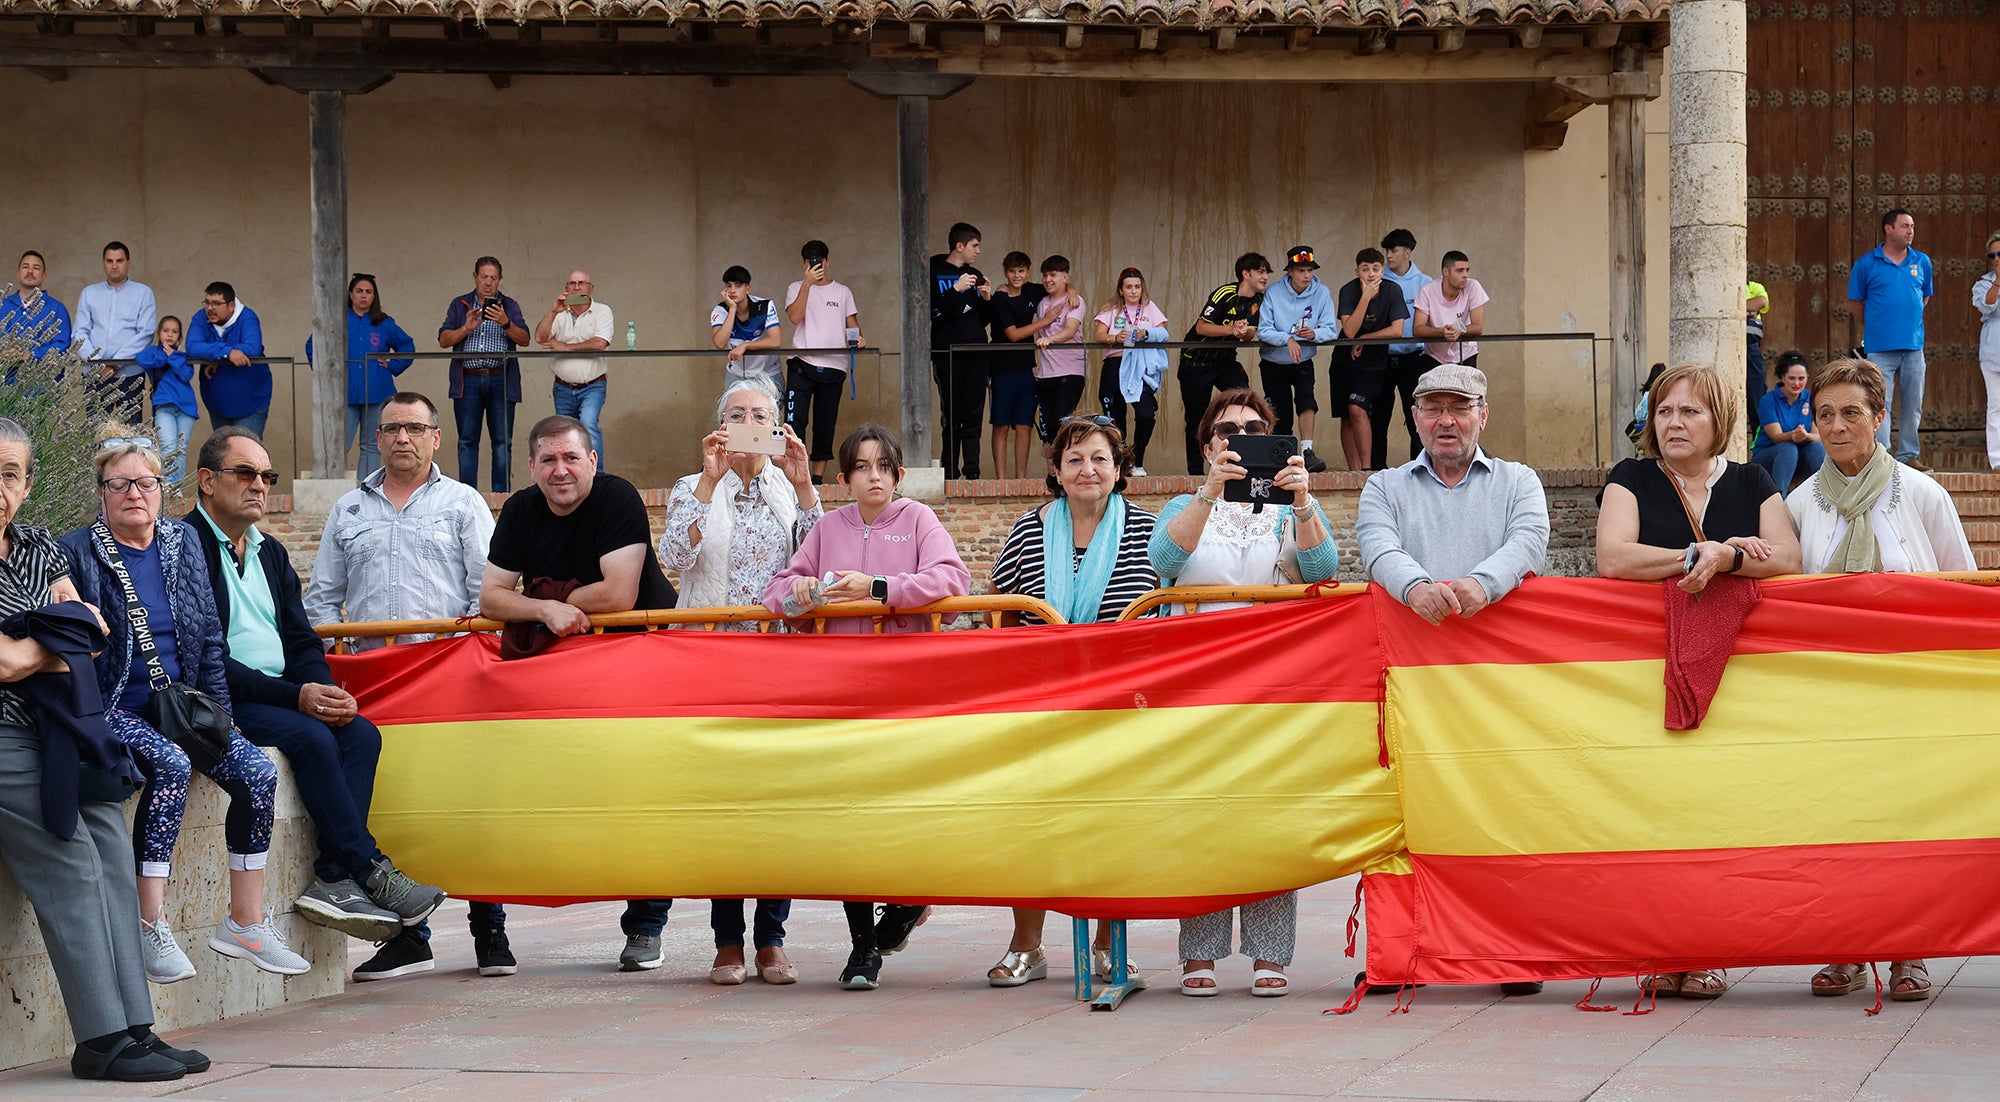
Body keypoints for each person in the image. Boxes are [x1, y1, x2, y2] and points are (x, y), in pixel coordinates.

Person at [187, 427, 449, 969]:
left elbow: (302, 639)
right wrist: (297, 696)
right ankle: (369, 867)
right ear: (207, 482)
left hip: (281, 693)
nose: (259, 485)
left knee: (359, 734)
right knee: (309, 737)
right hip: (218, 698)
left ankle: (332, 874)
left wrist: (322, 688)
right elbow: (204, 656)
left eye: (268, 477)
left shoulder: (270, 552)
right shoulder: (184, 547)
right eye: (246, 474)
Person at [0, 417, 207, 1083]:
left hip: (61, 729)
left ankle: (135, 1029)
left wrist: (50, 642)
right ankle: (99, 1041)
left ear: (29, 486)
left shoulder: (35, 547)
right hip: (6, 737)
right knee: (72, 868)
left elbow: (89, 632)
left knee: (112, 856)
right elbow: (6, 664)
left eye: (10, 474)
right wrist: (48, 644)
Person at [59, 432, 307, 985]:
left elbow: (212, 640)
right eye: (118, 484)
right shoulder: (75, 551)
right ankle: (150, 924)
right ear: (101, 492)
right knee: (170, 765)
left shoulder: (182, 542)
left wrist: (219, 719)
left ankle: (244, 923)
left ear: (160, 489)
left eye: (145, 483)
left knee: (258, 773)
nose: (134, 494)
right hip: (113, 708)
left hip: (182, 705)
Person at [1596, 362, 1803, 1000]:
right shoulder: (1629, 477)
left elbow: (1789, 559)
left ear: (1720, 421)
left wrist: (1729, 557)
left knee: (1719, 811)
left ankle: (1707, 946)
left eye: (1689, 412)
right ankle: (1662, 947)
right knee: (1657, 814)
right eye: (1664, 411)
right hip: (1646, 679)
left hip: (1741, 682)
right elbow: (1613, 557)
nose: (1674, 423)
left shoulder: (1753, 479)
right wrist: (1702, 554)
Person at [1354, 364, 1548, 997]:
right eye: (1433, 408)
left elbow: (1529, 542)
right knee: (1399, 819)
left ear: (1483, 415)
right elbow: (1376, 547)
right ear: (1414, 416)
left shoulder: (1519, 481)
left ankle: (1511, 953)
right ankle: (1395, 955)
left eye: (1459, 408)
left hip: (1500, 686)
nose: (1445, 420)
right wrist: (1414, 588)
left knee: (1502, 812)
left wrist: (1478, 585)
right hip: (1408, 686)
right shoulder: (1383, 486)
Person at [1788, 356, 1973, 1004]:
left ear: (1881, 417)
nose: (1837, 427)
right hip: (1831, 694)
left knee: (1907, 819)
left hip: (1908, 693)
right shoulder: (1799, 504)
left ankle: (1908, 950)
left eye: (1851, 414)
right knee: (1838, 818)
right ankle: (1842, 945)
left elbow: (1964, 596)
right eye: (1825, 415)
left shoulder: (1923, 496)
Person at [762, 424, 970, 990]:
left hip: (906, 690)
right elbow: (779, 588)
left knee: (908, 808)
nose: (873, 476)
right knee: (849, 813)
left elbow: (953, 579)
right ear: (845, 476)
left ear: (898, 475)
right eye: (861, 467)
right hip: (841, 691)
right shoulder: (828, 527)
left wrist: (879, 587)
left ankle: (906, 904)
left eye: (883, 467)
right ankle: (861, 948)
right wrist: (800, 597)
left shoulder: (921, 521)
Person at [1149, 389, 1335, 997]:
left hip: (1268, 681)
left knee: (1269, 813)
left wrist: (1303, 499)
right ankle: (1199, 951)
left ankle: (1269, 953)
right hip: (1198, 681)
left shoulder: (1289, 506)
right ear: (1209, 445)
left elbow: (1321, 568)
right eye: (1228, 430)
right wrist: (1209, 491)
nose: (1242, 436)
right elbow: (1164, 558)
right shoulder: (1185, 501)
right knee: (1201, 813)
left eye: (1256, 427)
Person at [303, 392, 492, 980]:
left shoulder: (463, 503)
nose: (402, 437)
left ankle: (492, 932)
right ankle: (413, 936)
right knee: (394, 802)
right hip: (368, 681)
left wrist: (456, 657)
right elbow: (322, 599)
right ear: (377, 438)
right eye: (391, 429)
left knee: (463, 799)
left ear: (437, 436)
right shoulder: (348, 510)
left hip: (443, 676)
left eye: (414, 427)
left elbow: (484, 590)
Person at [480, 415, 678, 973]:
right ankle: (489, 930)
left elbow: (619, 593)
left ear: (594, 460)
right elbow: (491, 598)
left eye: (571, 458)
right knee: (522, 787)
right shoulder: (520, 508)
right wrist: (544, 607)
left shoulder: (618, 497)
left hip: (632, 666)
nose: (560, 471)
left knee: (638, 794)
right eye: (548, 460)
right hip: (557, 670)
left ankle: (645, 925)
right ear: (531, 467)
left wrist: (548, 597)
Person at [985, 415, 1159, 988]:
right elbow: (998, 612)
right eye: (1075, 458)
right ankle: (1027, 945)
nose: (1088, 469)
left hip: (1119, 707)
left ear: (1119, 469)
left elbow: (1161, 616)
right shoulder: (1026, 531)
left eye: (1100, 458)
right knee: (1033, 821)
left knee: (1117, 823)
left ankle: (1111, 943)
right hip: (1042, 704)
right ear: (1056, 472)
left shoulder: (1147, 531)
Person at [659, 376, 819, 984]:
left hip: (779, 663)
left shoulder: (787, 487)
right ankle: (727, 940)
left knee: (776, 799)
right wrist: (706, 480)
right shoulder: (691, 487)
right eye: (737, 413)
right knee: (721, 798)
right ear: (721, 426)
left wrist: (805, 485)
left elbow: (816, 563)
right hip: (714, 663)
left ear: (777, 426)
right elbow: (674, 557)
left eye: (761, 414)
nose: (749, 423)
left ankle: (772, 939)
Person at [306, 274, 416, 483]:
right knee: (339, 444)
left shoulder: (384, 322)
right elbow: (313, 345)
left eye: (368, 292)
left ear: (374, 296)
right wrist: (325, 376)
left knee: (372, 445)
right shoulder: (336, 319)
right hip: (343, 393)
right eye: (359, 291)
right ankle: (335, 488)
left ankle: (366, 488)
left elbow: (407, 347)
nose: (364, 296)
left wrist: (392, 364)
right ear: (350, 294)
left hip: (377, 391)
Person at [1846, 208, 1933, 469]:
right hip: (1879, 349)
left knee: (1913, 403)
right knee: (1879, 403)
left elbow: (1924, 297)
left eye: (1912, 226)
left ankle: (1907, 455)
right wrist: (1877, 325)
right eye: (1905, 226)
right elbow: (1854, 302)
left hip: (1914, 347)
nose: (1910, 231)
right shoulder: (1866, 264)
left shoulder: (1922, 261)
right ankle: (1881, 456)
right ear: (1888, 229)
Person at [439, 256, 530, 494]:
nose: (488, 283)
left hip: (501, 378)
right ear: (475, 277)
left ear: (500, 279)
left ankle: (501, 497)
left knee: (502, 443)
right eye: (483, 277)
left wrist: (506, 323)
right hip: (467, 379)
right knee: (467, 441)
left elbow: (525, 339)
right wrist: (465, 328)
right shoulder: (460, 305)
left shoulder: (509, 306)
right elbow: (443, 340)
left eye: (493, 278)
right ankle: (468, 496)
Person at [1177, 254, 1270, 475]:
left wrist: (1243, 331)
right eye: (1261, 271)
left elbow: (1249, 336)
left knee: (1245, 401)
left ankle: (1246, 461)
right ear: (1246, 274)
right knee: (1196, 419)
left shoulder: (1259, 300)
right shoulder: (1224, 293)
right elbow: (1201, 327)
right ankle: (1196, 473)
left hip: (1225, 361)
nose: (1265, 277)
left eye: (1266, 272)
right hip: (1195, 361)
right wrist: (1231, 330)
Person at [784, 240, 865, 485]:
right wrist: (807, 284)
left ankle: (817, 479)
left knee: (825, 423)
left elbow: (852, 326)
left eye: (820, 260)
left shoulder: (842, 292)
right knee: (794, 421)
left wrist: (858, 339)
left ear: (828, 261)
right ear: (804, 263)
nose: (816, 264)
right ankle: (795, 476)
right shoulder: (796, 287)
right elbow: (795, 317)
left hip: (834, 366)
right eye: (810, 261)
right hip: (801, 363)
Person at [1256, 246, 1338, 473]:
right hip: (1274, 362)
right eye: (1301, 270)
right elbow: (1264, 330)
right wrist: (1287, 340)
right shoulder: (1273, 292)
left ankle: (1307, 451)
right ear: (1290, 271)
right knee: (1278, 410)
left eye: (1310, 270)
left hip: (1303, 360)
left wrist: (1315, 334)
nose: (1306, 275)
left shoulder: (1322, 292)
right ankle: (1281, 455)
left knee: (1306, 400)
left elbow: (1331, 329)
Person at [1336, 248, 1412, 472]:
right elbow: (1349, 331)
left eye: (1376, 269)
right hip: (1344, 360)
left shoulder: (1392, 290)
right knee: (1346, 416)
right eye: (1365, 269)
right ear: (1357, 270)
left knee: (1357, 406)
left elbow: (1397, 330)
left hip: (1374, 362)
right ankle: (1353, 472)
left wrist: (1365, 339)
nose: (1370, 274)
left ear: (1382, 271)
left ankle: (1367, 470)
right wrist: (1365, 297)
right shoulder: (1348, 291)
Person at [1092, 268, 1169, 476]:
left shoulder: (1149, 308)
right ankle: (1121, 462)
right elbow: (1099, 334)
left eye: (1137, 286)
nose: (1133, 291)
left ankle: (1137, 459)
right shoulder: (1111, 308)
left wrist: (1146, 333)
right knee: (1115, 420)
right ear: (1121, 289)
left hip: (1139, 367)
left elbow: (1164, 333)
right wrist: (1115, 338)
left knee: (1146, 415)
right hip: (1115, 365)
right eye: (1129, 287)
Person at [535, 270, 614, 467]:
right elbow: (540, 338)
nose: (577, 287)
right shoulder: (560, 314)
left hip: (592, 385)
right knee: (565, 434)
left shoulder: (602, 311)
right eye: (572, 283)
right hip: (562, 387)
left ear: (591, 288)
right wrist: (554, 310)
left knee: (587, 426)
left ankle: (597, 476)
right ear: (566, 288)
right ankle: (573, 474)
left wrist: (565, 347)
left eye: (581, 283)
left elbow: (600, 343)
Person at [931, 222, 991, 479]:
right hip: (948, 353)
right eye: (974, 245)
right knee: (951, 415)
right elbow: (935, 310)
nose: (978, 251)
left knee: (974, 415)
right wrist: (956, 289)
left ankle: (973, 472)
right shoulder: (933, 270)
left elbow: (983, 319)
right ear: (959, 245)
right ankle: (950, 473)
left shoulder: (975, 273)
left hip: (976, 352)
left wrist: (987, 299)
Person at [73, 242, 159, 422]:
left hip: (130, 374)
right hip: (94, 375)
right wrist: (100, 365)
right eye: (109, 261)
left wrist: (116, 364)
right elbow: (79, 333)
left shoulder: (143, 293)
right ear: (103, 263)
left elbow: (145, 334)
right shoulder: (89, 293)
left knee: (129, 431)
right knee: (95, 432)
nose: (114, 265)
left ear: (129, 263)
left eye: (119, 260)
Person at [1373, 229, 1432, 468]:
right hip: (1382, 358)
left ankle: (1418, 468)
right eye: (1386, 250)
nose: (1389, 256)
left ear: (1408, 252)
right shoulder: (1379, 281)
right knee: (1378, 418)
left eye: (1394, 250)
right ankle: (1376, 470)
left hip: (1414, 359)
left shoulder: (1425, 283)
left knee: (1417, 417)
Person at [986, 251, 1045, 481]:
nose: (1016, 275)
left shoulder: (1032, 290)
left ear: (1028, 272)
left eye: (1021, 271)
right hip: (1001, 368)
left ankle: (1021, 479)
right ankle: (1001, 480)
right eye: (1012, 271)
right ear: (1005, 272)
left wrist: (1070, 291)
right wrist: (1044, 321)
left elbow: (1060, 286)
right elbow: (1013, 335)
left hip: (1025, 368)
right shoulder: (1000, 297)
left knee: (1024, 426)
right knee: (1000, 424)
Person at [185, 282, 267, 434]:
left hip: (251, 401)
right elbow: (192, 347)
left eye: (216, 303)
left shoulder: (247, 318)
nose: (210, 308)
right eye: (207, 303)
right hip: (217, 402)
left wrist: (218, 358)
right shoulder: (200, 318)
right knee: (222, 452)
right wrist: (225, 354)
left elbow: (253, 347)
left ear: (231, 306)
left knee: (246, 450)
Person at [1027, 256, 1088, 445]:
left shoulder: (1075, 301)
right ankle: (1052, 473)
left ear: (1065, 277)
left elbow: (1070, 330)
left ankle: (1064, 472)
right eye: (1045, 275)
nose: (1048, 279)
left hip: (1070, 372)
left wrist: (1049, 339)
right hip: (1045, 374)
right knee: (1048, 430)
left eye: (1053, 275)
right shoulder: (1041, 301)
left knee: (1063, 425)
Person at [135, 317, 198, 484]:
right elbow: (141, 359)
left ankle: (176, 488)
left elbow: (186, 375)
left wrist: (174, 356)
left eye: (175, 331)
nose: (170, 334)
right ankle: (167, 486)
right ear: (158, 334)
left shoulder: (183, 356)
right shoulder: (153, 353)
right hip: (164, 407)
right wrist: (167, 355)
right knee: (168, 446)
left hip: (186, 409)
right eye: (166, 330)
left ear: (180, 337)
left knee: (181, 449)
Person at [1751, 350, 1824, 490]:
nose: (1797, 383)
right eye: (1792, 378)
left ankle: (1822, 496)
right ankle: (1779, 498)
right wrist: (1793, 435)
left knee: (1817, 448)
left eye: (1801, 378)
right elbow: (1776, 437)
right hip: (1769, 458)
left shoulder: (1811, 398)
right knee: (1787, 448)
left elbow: (1817, 435)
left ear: (1807, 378)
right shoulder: (1769, 400)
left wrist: (1806, 436)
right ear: (1783, 377)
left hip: (1799, 460)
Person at [1412, 250, 1488, 376]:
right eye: (1459, 271)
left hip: (1466, 353)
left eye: (1467, 270)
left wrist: (1459, 331)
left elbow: (1478, 327)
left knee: (1467, 394)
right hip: (1435, 356)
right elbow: (1417, 329)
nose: (1465, 275)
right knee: (1434, 395)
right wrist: (1441, 332)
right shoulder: (1427, 291)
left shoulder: (1473, 286)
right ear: (1445, 272)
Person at [709, 265, 783, 388]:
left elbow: (776, 341)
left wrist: (745, 345)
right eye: (729, 286)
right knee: (733, 408)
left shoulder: (765, 306)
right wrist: (732, 309)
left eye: (738, 286)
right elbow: (719, 343)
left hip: (768, 373)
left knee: (768, 408)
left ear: (747, 289)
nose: (732, 290)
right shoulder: (721, 310)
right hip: (736, 373)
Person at [0, 250, 72, 360]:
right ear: (18, 273)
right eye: (25, 267)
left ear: (44, 276)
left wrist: (32, 355)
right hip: (8, 375)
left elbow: (62, 344)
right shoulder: (2, 305)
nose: (30, 271)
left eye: (36, 268)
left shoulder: (57, 309)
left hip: (44, 376)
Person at [1973, 231, 2000, 469]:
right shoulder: (1984, 283)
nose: (1997, 258)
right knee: (1996, 404)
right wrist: (1998, 280)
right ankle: (1998, 459)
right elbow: (1987, 306)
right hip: (1993, 351)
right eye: (1993, 254)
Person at [1744, 278, 1771, 429]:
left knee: (1756, 399)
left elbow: (1761, 302)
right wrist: (1747, 309)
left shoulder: (1753, 286)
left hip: (1751, 348)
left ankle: (1759, 445)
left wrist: (1733, 307)